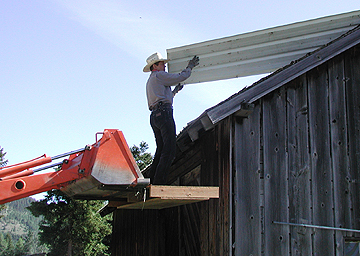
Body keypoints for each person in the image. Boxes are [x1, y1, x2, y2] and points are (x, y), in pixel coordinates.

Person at [144, 52, 199, 184]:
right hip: (164, 114)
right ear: (155, 66)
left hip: (155, 116)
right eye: (162, 63)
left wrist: (174, 92)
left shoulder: (151, 80)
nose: (164, 65)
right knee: (169, 150)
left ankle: (151, 181)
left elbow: (161, 98)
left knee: (161, 149)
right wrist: (190, 66)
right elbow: (180, 76)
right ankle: (158, 183)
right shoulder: (159, 75)